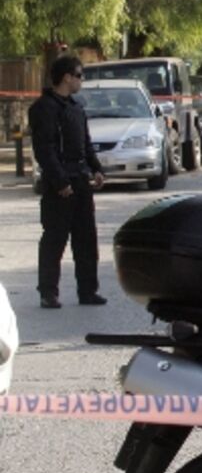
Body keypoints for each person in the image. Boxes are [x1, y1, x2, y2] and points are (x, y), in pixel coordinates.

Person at [28, 55, 107, 309]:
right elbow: (45, 150)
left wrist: (96, 168)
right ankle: (48, 292)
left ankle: (88, 290)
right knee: (54, 239)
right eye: (79, 75)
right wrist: (60, 181)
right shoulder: (44, 108)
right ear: (66, 77)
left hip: (81, 180)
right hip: (59, 185)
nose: (81, 81)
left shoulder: (76, 107)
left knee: (86, 240)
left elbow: (85, 143)